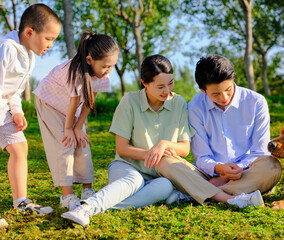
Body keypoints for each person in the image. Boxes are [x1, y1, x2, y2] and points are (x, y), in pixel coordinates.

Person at [61, 54, 194, 227]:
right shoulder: (130, 101)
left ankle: (100, 206)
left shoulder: (179, 103)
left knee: (166, 186)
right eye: (160, 86)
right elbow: (122, 148)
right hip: (126, 167)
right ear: (145, 83)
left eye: (170, 83)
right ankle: (86, 208)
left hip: (158, 175)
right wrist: (151, 153)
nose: (167, 91)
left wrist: (165, 145)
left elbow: (184, 149)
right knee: (135, 180)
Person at [156, 54, 282, 207]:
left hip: (246, 171)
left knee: (271, 166)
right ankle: (231, 196)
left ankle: (197, 194)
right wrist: (219, 169)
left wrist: (229, 175)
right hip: (208, 175)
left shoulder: (256, 102)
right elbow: (202, 156)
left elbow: (259, 152)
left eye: (228, 89)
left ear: (233, 80)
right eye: (215, 93)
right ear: (203, 90)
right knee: (165, 162)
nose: (224, 97)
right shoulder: (195, 106)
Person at [33, 30, 119, 209]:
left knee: (81, 142)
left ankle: (87, 189)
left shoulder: (103, 73)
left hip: (71, 107)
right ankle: (67, 196)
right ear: (89, 60)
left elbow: (89, 101)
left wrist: (78, 127)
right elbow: (73, 103)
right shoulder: (74, 71)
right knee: (65, 144)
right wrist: (68, 129)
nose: (107, 70)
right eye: (105, 66)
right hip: (50, 104)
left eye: (111, 66)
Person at [0, 3, 61, 225]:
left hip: (1, 106)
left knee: (20, 148)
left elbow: (13, 89)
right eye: (49, 38)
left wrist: (17, 112)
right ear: (30, 32)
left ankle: (21, 202)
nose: (51, 45)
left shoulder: (29, 56)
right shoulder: (4, 48)